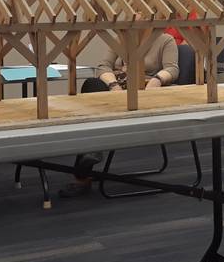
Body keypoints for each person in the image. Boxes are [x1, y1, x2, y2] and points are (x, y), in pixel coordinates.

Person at [60, 32, 180, 197]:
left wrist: (156, 80)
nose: (137, 12)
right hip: (118, 87)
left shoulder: (165, 39)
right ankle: (91, 154)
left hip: (146, 89)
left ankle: (85, 168)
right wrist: (113, 85)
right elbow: (103, 66)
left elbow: (172, 69)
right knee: (92, 85)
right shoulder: (121, 38)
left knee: (101, 110)